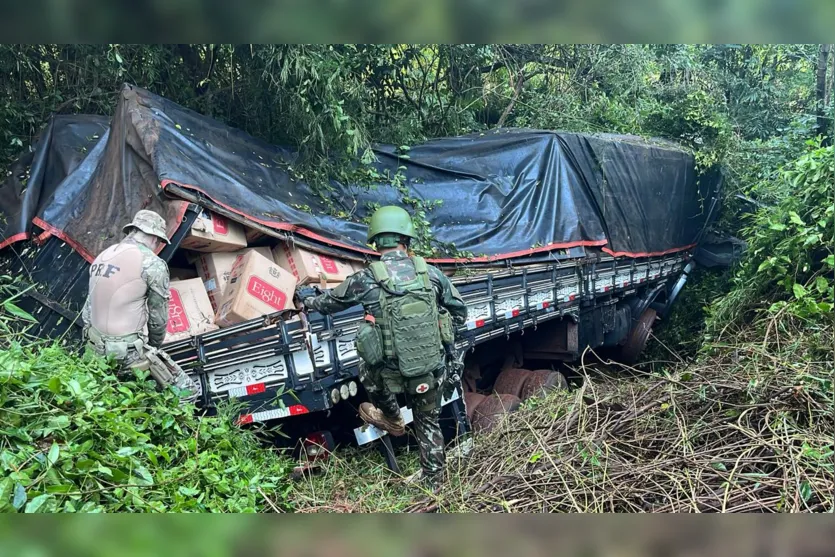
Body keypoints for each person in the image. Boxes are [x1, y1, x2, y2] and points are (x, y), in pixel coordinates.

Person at [301, 206, 467, 486]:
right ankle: (434, 484)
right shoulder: (431, 275)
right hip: (428, 369)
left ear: (376, 242)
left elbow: (327, 305)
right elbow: (460, 312)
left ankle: (391, 416)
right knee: (428, 424)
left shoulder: (366, 279)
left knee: (365, 366)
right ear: (407, 240)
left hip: (388, 376)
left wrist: (306, 298)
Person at [82, 210, 196, 398]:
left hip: (94, 347)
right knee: (187, 392)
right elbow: (158, 317)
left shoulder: (103, 256)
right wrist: (152, 347)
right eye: (159, 241)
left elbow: (89, 308)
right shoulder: (152, 264)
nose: (157, 245)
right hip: (126, 353)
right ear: (153, 237)